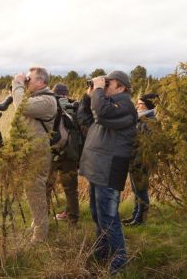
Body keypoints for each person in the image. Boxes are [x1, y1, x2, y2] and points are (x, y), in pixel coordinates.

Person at [78, 70, 137, 275]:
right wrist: (89, 96)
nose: (103, 87)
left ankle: (120, 262)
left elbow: (101, 113)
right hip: (99, 167)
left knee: (109, 218)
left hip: (109, 169)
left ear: (121, 87)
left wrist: (99, 91)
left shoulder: (126, 107)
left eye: (108, 84)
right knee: (98, 215)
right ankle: (101, 254)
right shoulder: (108, 106)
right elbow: (84, 119)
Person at [12, 67, 57, 243]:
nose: (26, 81)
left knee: (35, 190)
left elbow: (21, 106)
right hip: (30, 149)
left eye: (29, 79)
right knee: (32, 190)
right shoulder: (37, 98)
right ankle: (38, 224)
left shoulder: (47, 100)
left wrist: (17, 83)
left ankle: (40, 235)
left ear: (41, 82)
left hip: (37, 152)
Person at [46, 83, 80, 224]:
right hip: (70, 155)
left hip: (52, 153)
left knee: (46, 186)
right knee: (71, 188)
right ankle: (73, 219)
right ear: (66, 94)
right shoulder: (74, 106)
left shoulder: (49, 105)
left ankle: (43, 217)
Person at [122, 93, 158, 226]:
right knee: (136, 190)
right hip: (134, 160)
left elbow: (146, 146)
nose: (137, 106)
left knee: (141, 190)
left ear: (148, 105)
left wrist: (137, 161)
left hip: (141, 162)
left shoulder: (150, 121)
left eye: (140, 104)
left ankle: (140, 219)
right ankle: (134, 216)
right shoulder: (141, 119)